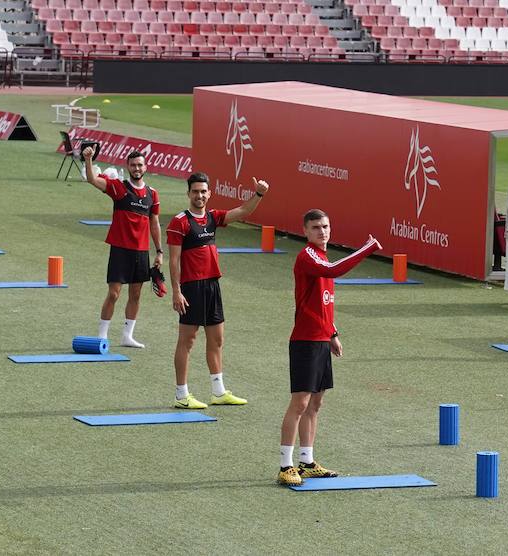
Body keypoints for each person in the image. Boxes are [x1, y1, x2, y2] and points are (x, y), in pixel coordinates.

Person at [277, 209, 382, 486]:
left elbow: (322, 304)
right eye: (315, 228)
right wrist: (367, 248)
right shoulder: (308, 256)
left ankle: (307, 461)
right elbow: (334, 271)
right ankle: (285, 465)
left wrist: (332, 333)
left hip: (322, 341)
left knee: (315, 404)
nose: (322, 232)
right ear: (305, 231)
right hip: (305, 342)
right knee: (299, 403)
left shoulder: (320, 256)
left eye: (325, 226)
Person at [165, 174, 267, 409]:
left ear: (209, 193)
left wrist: (259, 194)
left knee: (217, 339)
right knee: (187, 341)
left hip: (212, 285)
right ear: (188, 193)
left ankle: (218, 392)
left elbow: (243, 211)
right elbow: (173, 261)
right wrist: (176, 291)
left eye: (203, 192)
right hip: (191, 287)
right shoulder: (179, 222)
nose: (199, 196)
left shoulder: (212, 218)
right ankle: (181, 395)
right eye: (195, 192)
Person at [81, 146, 163, 349]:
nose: (137, 168)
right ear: (128, 166)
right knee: (114, 294)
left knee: (135, 295)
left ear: (146, 167)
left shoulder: (152, 194)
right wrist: (89, 160)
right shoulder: (119, 188)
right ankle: (102, 336)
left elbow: (155, 223)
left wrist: (159, 251)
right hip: (120, 250)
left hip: (141, 251)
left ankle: (127, 336)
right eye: (133, 165)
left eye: (140, 165)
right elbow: (92, 180)